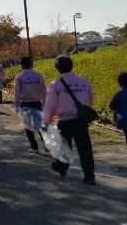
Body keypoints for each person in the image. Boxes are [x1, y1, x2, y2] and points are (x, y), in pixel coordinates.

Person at [41, 56, 97, 185]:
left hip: (65, 121)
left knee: (64, 146)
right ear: (71, 66)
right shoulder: (83, 81)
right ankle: (89, 175)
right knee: (85, 148)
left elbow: (50, 105)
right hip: (81, 121)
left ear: (57, 68)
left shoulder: (56, 83)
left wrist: (46, 122)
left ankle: (61, 168)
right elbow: (90, 98)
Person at [13, 56, 47, 153]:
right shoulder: (38, 75)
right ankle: (47, 145)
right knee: (40, 125)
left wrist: (16, 105)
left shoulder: (19, 77)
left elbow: (17, 93)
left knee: (28, 126)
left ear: (21, 65)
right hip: (37, 103)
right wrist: (44, 103)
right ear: (31, 64)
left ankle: (34, 147)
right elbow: (44, 90)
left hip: (25, 104)